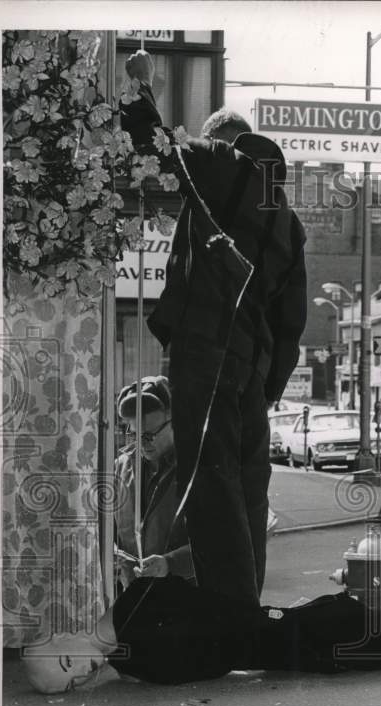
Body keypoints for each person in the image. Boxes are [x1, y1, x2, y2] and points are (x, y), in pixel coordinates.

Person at [120, 50, 307, 607]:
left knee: (209, 487)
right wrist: (263, 389)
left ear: (219, 139)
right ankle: (244, 607)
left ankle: (222, 616)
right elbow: (290, 324)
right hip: (251, 371)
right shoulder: (287, 220)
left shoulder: (221, 162)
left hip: (206, 355)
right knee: (248, 490)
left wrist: (140, 84)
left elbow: (154, 144)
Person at [21, 545, 381, 693]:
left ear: (60, 634)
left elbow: (222, 623)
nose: (82, 673)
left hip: (319, 636)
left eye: (67, 661)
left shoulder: (139, 612)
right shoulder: (134, 647)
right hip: (311, 641)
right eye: (72, 681)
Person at [114, 376, 195, 591]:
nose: (141, 443)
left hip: (182, 599)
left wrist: (170, 563)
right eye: (134, 434)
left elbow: (222, 543)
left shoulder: (198, 471)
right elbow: (108, 527)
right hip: (132, 595)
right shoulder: (121, 466)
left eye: (149, 435)